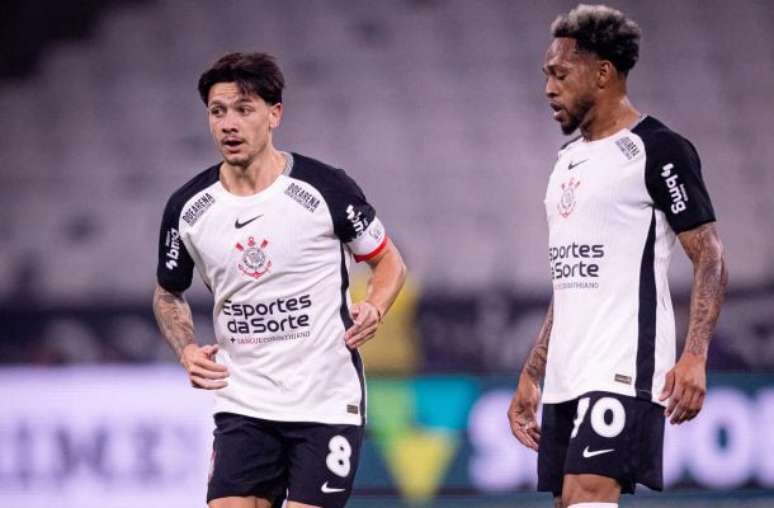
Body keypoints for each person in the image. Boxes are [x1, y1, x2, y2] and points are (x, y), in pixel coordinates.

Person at [153, 52, 406, 508]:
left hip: (325, 401)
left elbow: (388, 262)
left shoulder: (325, 188)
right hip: (243, 402)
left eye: (243, 109)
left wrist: (375, 305)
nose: (229, 124)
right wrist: (186, 348)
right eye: (217, 112)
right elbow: (168, 293)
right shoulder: (188, 208)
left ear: (275, 114)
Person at [507, 5, 727, 508]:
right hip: (568, 373)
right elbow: (571, 278)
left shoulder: (659, 150)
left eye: (560, 74)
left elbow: (710, 255)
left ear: (603, 73)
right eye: (546, 76)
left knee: (588, 496)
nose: (549, 88)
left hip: (624, 365)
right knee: (571, 502)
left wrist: (695, 355)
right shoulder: (567, 161)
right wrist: (534, 371)